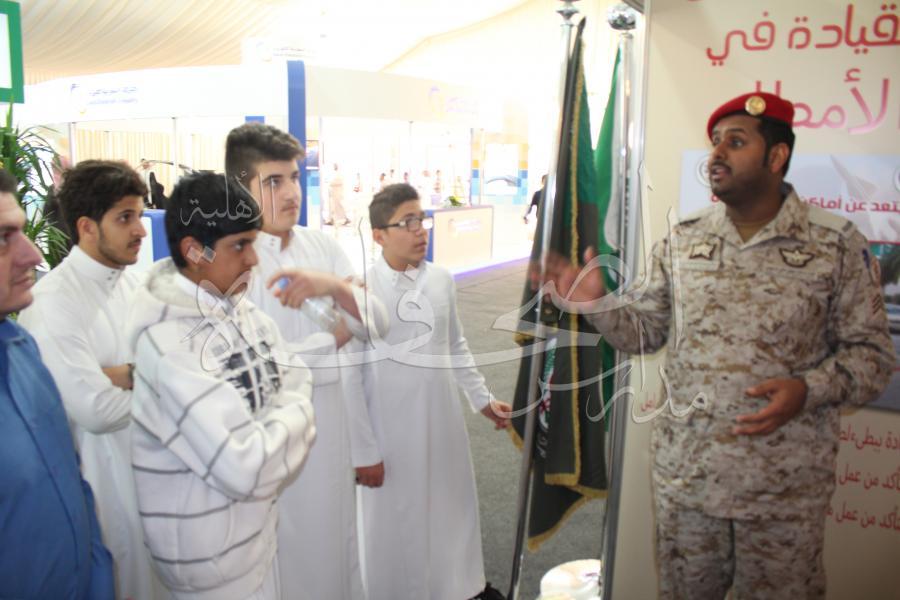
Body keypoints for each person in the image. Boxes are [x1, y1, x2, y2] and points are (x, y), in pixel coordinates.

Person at [543, 92, 896, 599]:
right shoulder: (683, 240)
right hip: (690, 482)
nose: (717, 154)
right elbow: (645, 333)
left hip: (782, 494)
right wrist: (598, 303)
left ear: (777, 156)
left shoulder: (835, 244)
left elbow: (874, 359)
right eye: (714, 142)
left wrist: (807, 389)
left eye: (736, 142)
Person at [128, 172, 317, 599]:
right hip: (209, 570)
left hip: (255, 543)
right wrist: (299, 412)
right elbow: (246, 468)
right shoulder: (168, 346)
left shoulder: (241, 310)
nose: (253, 259)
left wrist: (272, 425)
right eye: (240, 245)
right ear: (194, 250)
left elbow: (298, 374)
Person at [226, 122, 387, 600]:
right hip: (266, 435)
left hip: (329, 428)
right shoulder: (233, 262)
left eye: (295, 178)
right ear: (241, 187)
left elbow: (376, 322)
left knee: (335, 550)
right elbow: (248, 366)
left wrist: (332, 286)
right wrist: (328, 341)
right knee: (281, 561)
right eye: (274, 181)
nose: (291, 192)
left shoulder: (322, 247)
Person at [17, 160, 165, 600]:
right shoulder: (53, 303)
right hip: (102, 495)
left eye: (139, 215)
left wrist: (124, 376)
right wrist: (160, 382)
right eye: (125, 218)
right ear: (86, 226)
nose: (140, 230)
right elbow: (96, 410)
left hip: (153, 482)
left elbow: (177, 361)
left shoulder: (134, 287)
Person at [362, 183, 512, 600]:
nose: (419, 230)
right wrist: (362, 446)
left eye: (422, 219)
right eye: (407, 222)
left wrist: (481, 399)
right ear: (379, 235)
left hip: (441, 418)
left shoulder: (442, 280)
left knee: (449, 506)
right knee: (393, 514)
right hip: (388, 425)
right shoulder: (362, 290)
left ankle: (455, 588)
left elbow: (456, 344)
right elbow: (352, 373)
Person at [0, 168, 115, 599]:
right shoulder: (51, 312)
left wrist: (100, 580)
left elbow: (71, 483)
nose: (32, 255)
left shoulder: (23, 351)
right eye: (3, 239)